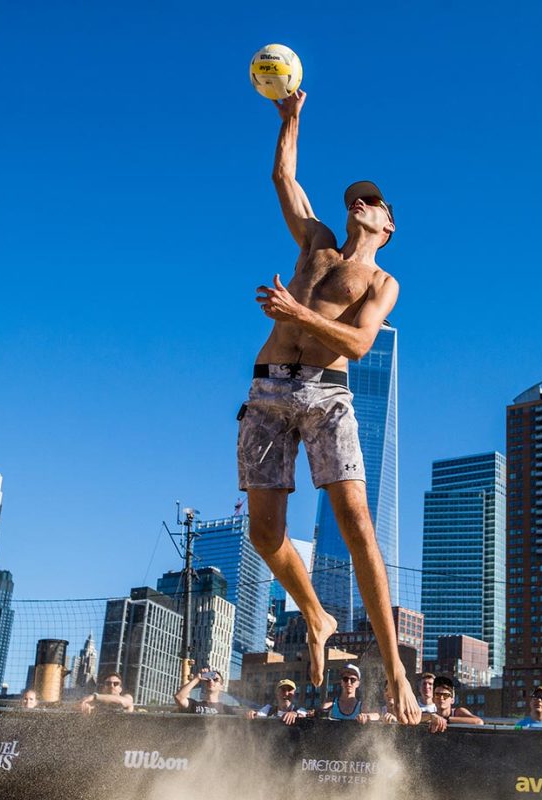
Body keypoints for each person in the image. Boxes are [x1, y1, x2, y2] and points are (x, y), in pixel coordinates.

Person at [238, 88, 418, 726]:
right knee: (263, 534)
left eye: (374, 201)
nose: (362, 203)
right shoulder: (316, 242)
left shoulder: (380, 281)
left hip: (326, 396)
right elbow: (284, 177)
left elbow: (362, 344)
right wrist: (290, 122)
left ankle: (395, 669)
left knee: (357, 524)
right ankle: (316, 615)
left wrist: (295, 311)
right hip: (268, 389)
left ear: (387, 225)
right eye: (357, 198)